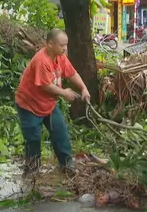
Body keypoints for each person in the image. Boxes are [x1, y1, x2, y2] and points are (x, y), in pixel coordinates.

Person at [15, 29, 91, 176]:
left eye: (66, 45)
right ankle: (32, 171)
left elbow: (72, 73)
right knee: (34, 139)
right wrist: (64, 93)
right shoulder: (41, 60)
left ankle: (67, 166)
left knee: (60, 132)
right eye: (62, 45)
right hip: (29, 105)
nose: (65, 48)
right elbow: (45, 85)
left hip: (48, 104)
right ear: (50, 44)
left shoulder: (60, 56)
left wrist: (84, 88)